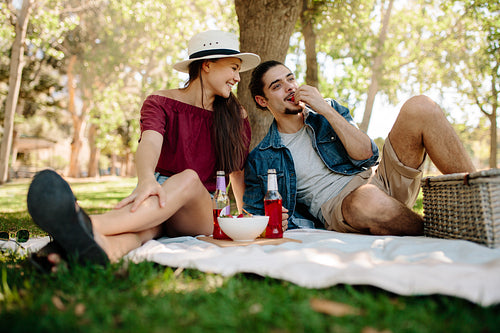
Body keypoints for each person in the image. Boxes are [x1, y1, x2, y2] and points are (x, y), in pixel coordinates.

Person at [27, 30, 261, 269]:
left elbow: (237, 173)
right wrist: (147, 180)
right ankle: (72, 254)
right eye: (233, 68)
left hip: (202, 210)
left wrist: (245, 219)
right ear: (207, 65)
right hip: (157, 196)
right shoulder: (160, 102)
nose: (237, 78)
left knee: (189, 178)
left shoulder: (236, 116)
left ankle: (84, 222)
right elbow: (149, 140)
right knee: (141, 232)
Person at [243, 60, 476, 235]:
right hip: (342, 205)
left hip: (378, 177)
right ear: (262, 101)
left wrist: (325, 109)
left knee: (421, 106)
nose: (290, 87)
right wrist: (272, 221)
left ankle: (483, 202)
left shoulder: (328, 110)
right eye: (277, 86)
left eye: (290, 79)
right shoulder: (262, 157)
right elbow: (254, 213)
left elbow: (367, 154)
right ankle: (440, 233)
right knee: (367, 199)